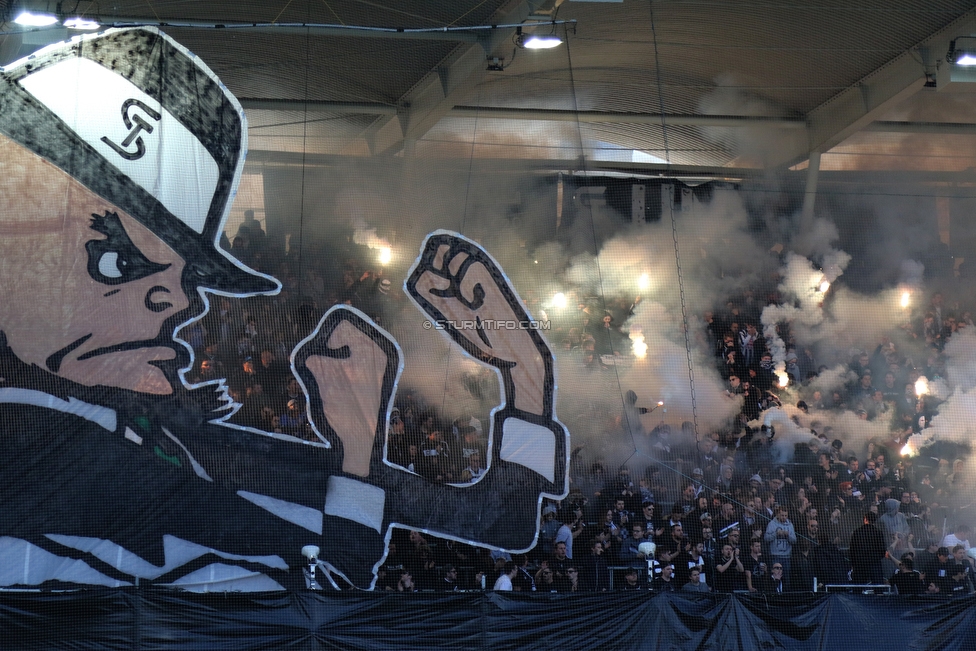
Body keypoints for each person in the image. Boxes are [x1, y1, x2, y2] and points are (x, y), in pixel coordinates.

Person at [0, 28, 570, 592]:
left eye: (187, 274)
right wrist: (354, 457)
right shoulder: (45, 451)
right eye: (119, 260)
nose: (180, 299)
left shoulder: (141, 429)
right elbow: (317, 597)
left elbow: (494, 523)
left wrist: (525, 376)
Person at [849, 511, 886, 584]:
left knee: (858, 587)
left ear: (865, 519)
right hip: (874, 563)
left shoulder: (857, 532)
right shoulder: (878, 532)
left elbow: (852, 549)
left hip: (860, 563)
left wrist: (854, 562)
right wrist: (877, 557)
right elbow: (882, 550)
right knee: (877, 586)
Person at [764, 507, 796, 589]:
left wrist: (788, 535)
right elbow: (766, 538)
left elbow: (794, 541)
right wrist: (776, 534)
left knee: (786, 579)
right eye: (782, 515)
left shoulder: (790, 524)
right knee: (774, 578)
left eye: (786, 515)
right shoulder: (771, 524)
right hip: (775, 556)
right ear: (778, 514)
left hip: (787, 557)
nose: (784, 517)